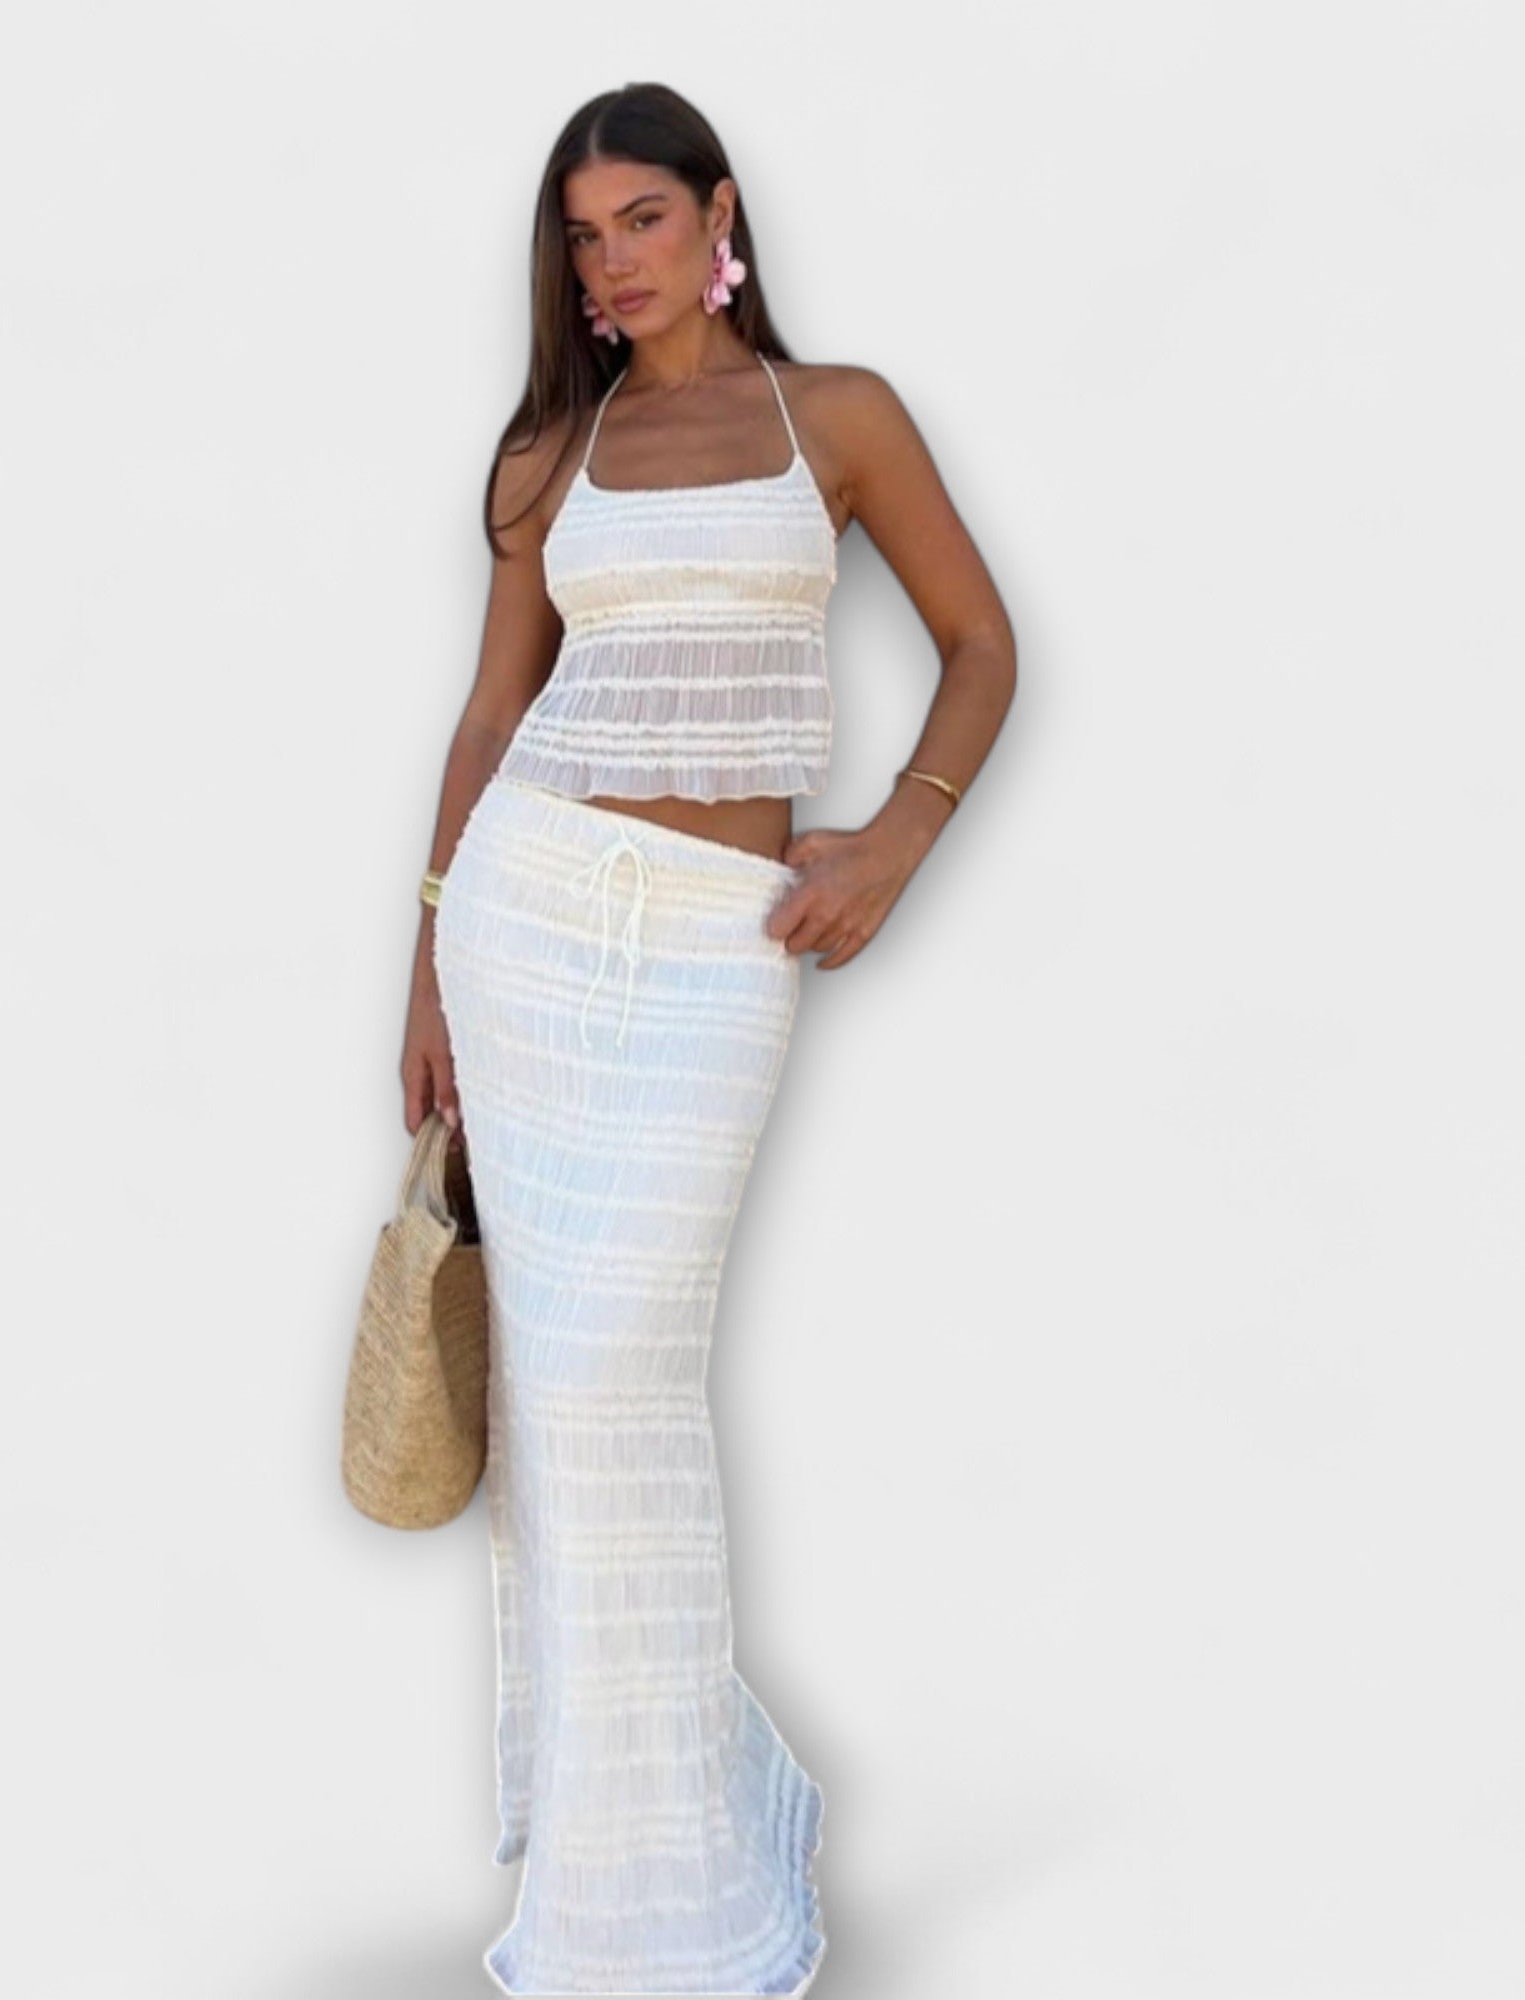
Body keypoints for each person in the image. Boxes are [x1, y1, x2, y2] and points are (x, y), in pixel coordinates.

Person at [404, 81, 1016, 1997]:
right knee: (565, 1400)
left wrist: (897, 838)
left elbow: (982, 644)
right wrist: (424, 968)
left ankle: (688, 1847)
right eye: (584, 237)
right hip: (526, 920)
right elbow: (490, 720)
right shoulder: (551, 455)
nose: (613, 263)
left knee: (615, 1383)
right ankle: (625, 1884)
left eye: (644, 220)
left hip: (712, 948)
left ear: (720, 212)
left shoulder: (838, 418)